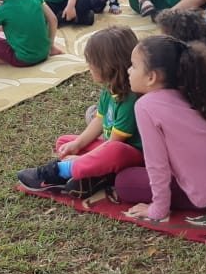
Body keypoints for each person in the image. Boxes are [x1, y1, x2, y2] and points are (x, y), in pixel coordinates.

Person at [114, 36, 206, 221]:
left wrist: (158, 209)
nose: (128, 71)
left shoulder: (145, 106)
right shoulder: (184, 90)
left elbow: (157, 164)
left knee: (123, 182)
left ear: (151, 77)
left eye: (133, 66)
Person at [17, 26, 145, 197]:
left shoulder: (130, 99)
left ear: (108, 65)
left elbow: (114, 143)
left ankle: (58, 173)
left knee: (114, 150)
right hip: (107, 149)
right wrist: (77, 145)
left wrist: (82, 159)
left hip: (131, 158)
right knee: (65, 142)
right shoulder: (109, 89)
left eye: (92, 62)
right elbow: (99, 120)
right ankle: (94, 176)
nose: (88, 66)